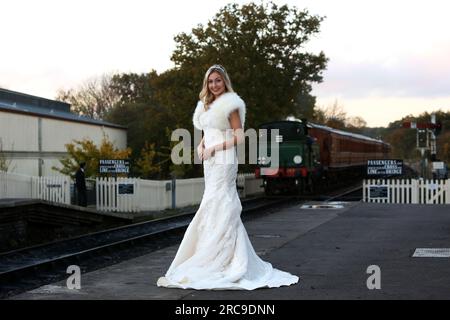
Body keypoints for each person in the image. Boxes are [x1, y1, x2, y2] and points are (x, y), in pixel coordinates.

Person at [157, 64, 299, 290]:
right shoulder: (204, 105)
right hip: (209, 160)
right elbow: (206, 131)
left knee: (222, 201)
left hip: (224, 158)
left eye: (218, 81)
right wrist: (202, 145)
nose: (214, 85)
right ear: (207, 83)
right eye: (211, 81)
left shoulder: (231, 104)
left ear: (225, 82)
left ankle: (225, 258)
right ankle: (209, 253)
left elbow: (239, 137)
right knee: (211, 202)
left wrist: (215, 148)